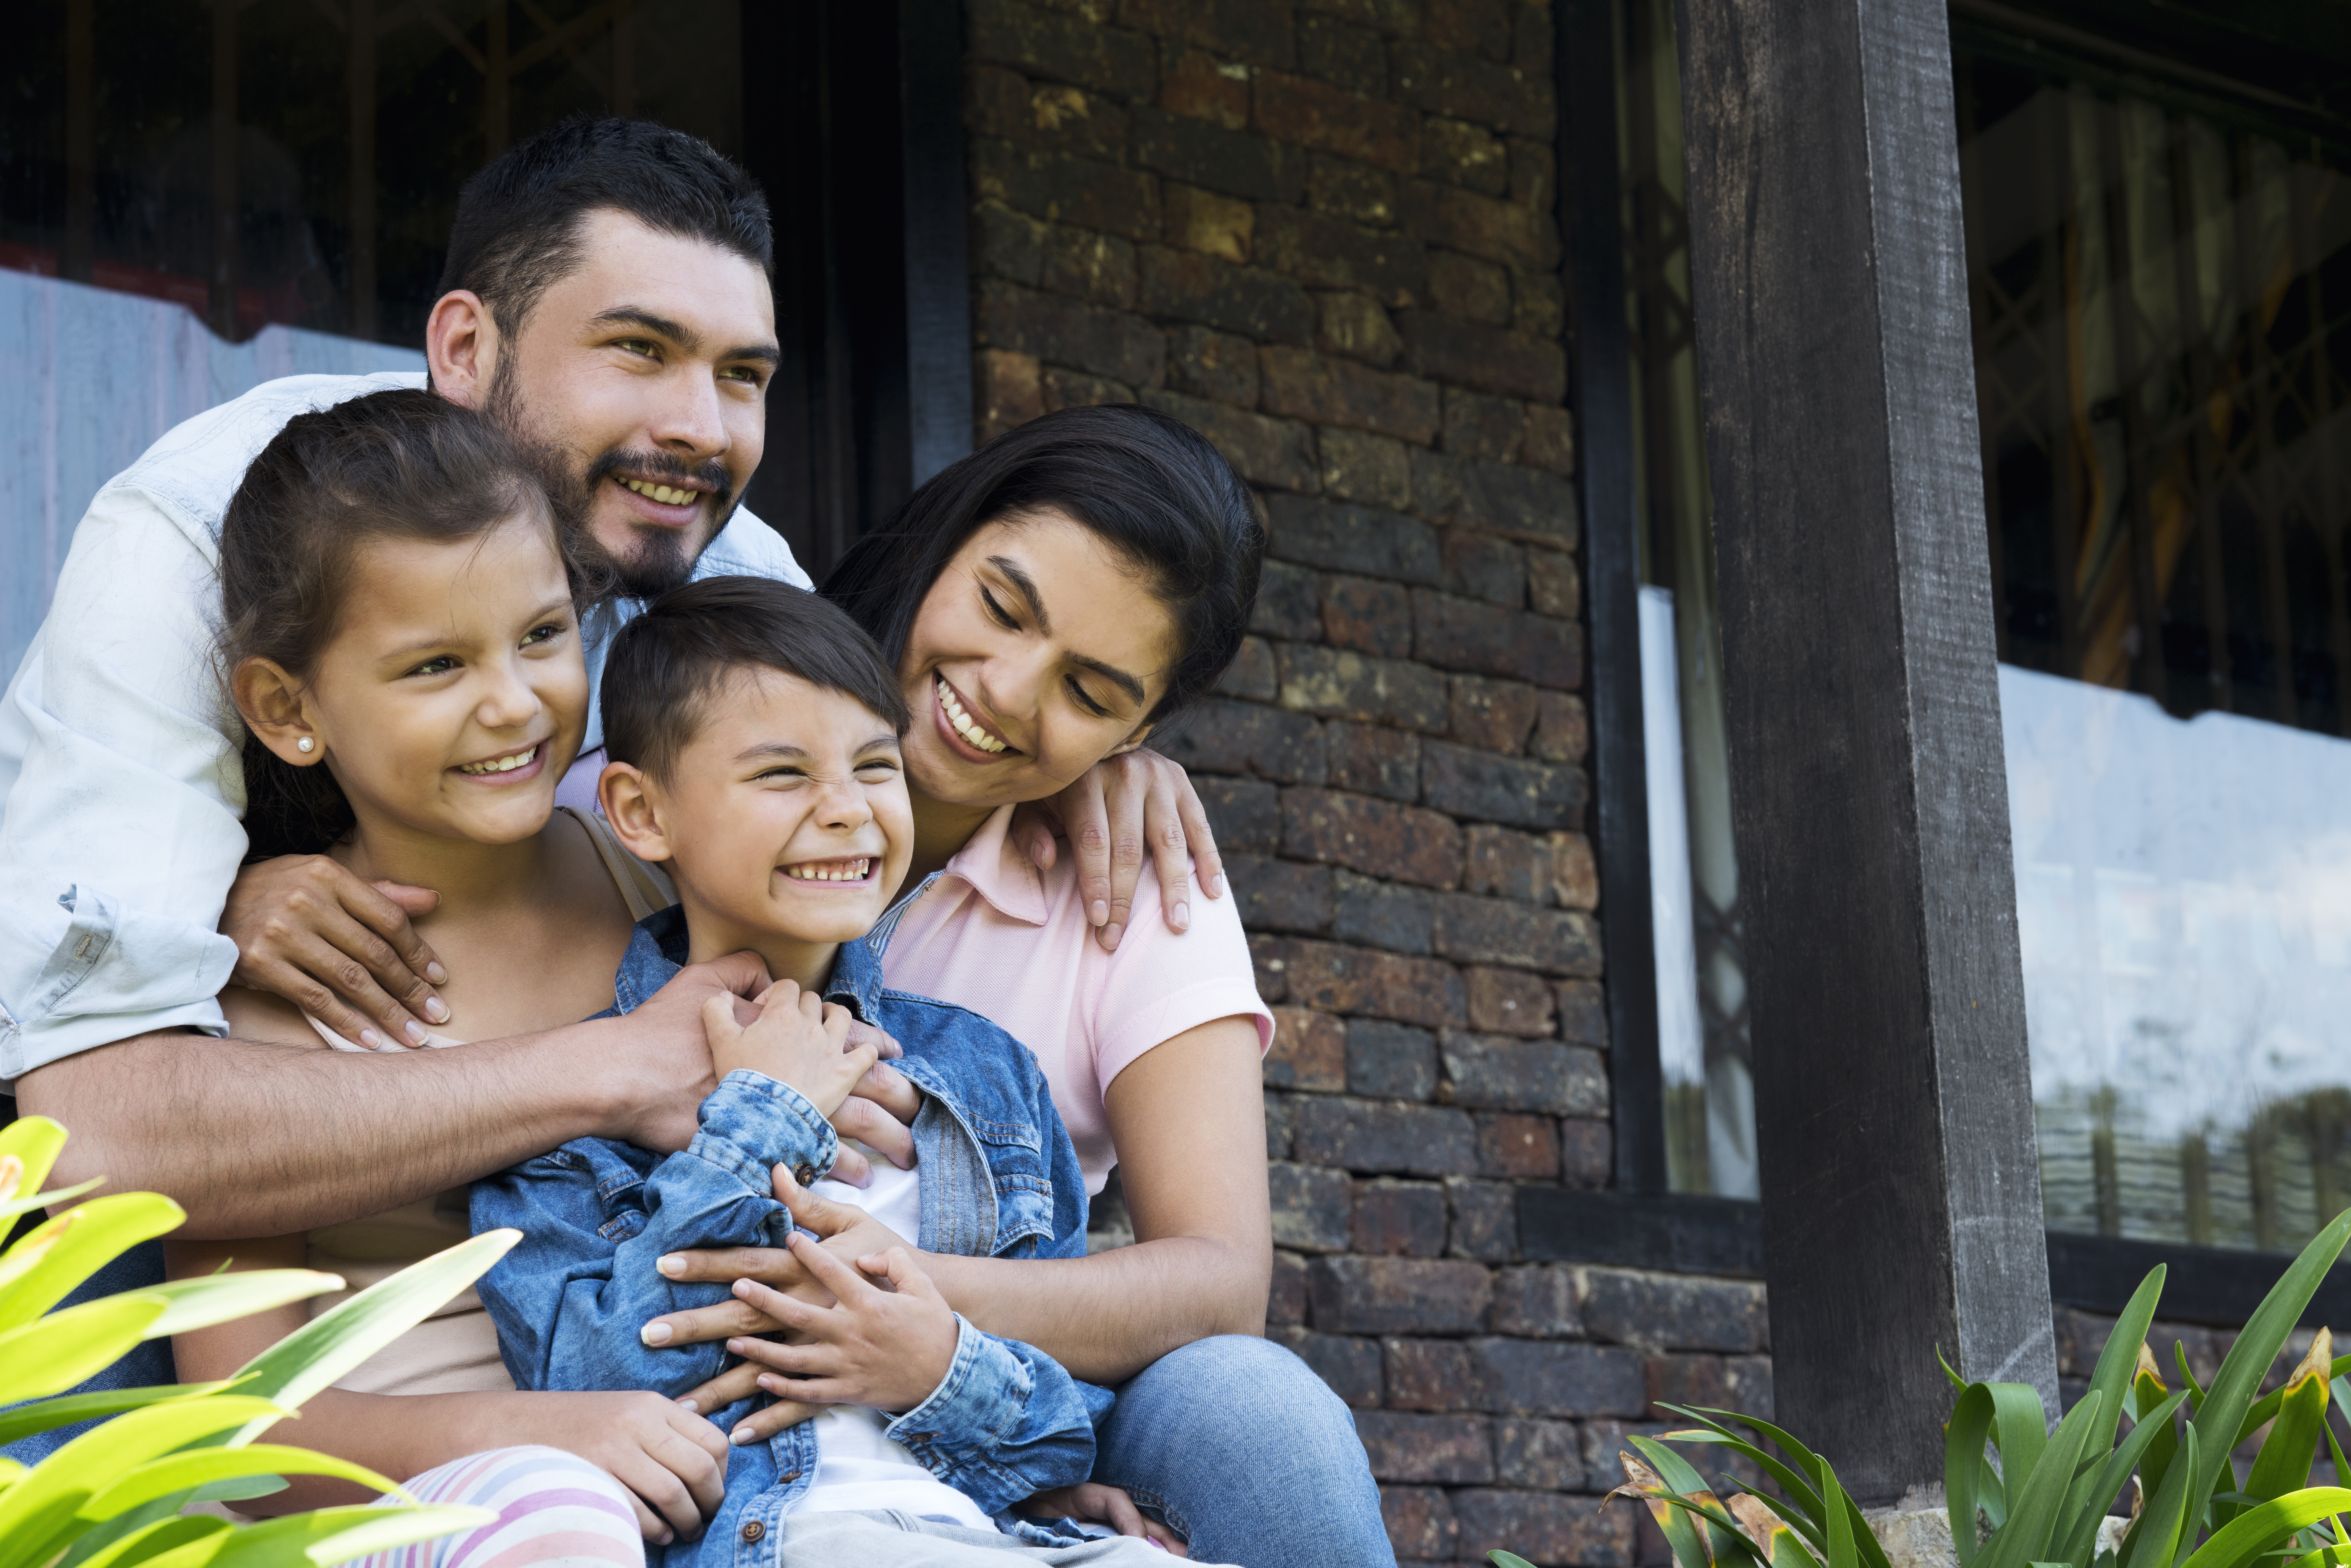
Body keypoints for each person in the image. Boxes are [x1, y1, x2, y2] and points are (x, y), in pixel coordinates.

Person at [1, 117, 1210, 1438]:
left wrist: (1068, 763)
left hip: (586, 1315)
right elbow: (97, 1135)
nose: (694, 426)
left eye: (741, 373)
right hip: (177, 1236)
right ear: (466, 349)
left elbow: (871, 766)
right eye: (638, 350)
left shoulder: (719, 561)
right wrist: (606, 1064)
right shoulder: (202, 535)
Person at [630, 407, 1398, 1568]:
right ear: (945, 539)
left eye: (1090, 695)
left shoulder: (1130, 882)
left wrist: (907, 1309)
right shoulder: (695, 747)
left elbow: (1220, 1275)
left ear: (1141, 731)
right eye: (1001, 606)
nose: (1004, 691)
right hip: (677, 1365)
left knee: (1265, 1412)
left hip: (999, 1380)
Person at [471, 574, 1216, 1565]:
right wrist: (761, 1121)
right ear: (641, 812)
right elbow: (587, 1392)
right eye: (783, 775)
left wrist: (935, 1367)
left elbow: (1061, 1435)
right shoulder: (567, 1101)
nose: (847, 812)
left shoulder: (987, 1079)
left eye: (875, 767)